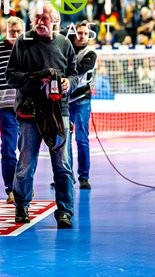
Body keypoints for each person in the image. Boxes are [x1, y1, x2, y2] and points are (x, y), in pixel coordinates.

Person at [6, 0, 78, 228]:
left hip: (59, 113)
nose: (40, 22)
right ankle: (21, 206)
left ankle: (65, 211)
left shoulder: (65, 44)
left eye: (44, 18)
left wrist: (69, 83)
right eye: (36, 17)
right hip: (30, 113)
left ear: (55, 21)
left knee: (63, 165)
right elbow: (11, 76)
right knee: (26, 163)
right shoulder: (23, 42)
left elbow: (75, 75)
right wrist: (38, 80)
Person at [0, 15, 24, 203]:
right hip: (6, 107)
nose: (15, 35)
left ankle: (24, 187)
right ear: (5, 32)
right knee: (8, 149)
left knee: (25, 150)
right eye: (12, 31)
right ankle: (10, 188)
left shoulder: (28, 48)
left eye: (18, 32)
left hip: (27, 106)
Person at [66, 21, 98, 190]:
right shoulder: (66, 46)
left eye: (86, 33)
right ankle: (66, 175)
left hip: (81, 100)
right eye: (79, 33)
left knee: (81, 139)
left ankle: (83, 177)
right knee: (64, 140)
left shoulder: (90, 53)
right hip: (64, 100)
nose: (82, 36)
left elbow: (76, 70)